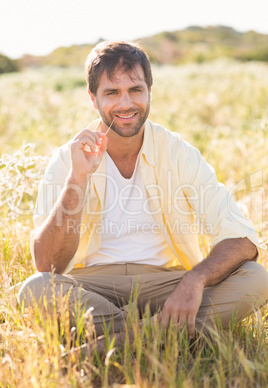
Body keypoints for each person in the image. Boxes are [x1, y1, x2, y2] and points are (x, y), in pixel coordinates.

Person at [18, 41, 268, 339]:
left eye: (135, 90)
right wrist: (78, 178)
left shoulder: (178, 152)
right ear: (92, 98)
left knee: (256, 278)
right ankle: (160, 337)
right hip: (93, 286)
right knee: (34, 290)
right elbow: (47, 265)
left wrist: (194, 281)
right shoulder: (67, 159)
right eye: (112, 92)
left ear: (149, 91)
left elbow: (242, 240)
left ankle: (116, 340)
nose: (126, 104)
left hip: (166, 283)